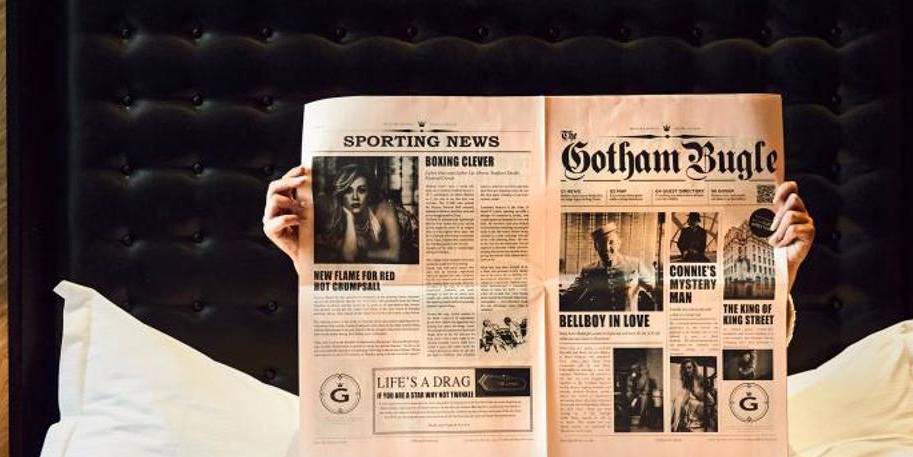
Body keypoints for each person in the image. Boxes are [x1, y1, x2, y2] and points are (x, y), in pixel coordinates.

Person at [268, 168, 815, 291]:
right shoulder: (577, 280)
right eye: (599, 239)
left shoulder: (646, 273)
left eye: (610, 239)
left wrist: (780, 273)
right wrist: (304, 258)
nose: (605, 244)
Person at [314, 162, 415, 263]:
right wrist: (349, 217)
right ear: (341, 195)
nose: (355, 197)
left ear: (369, 194)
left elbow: (394, 255)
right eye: (349, 191)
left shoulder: (385, 209)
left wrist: (361, 253)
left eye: (361, 190)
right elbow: (349, 257)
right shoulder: (338, 221)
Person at [559, 218, 660, 311]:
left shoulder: (636, 264)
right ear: (596, 247)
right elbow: (569, 296)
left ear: (619, 243)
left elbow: (656, 292)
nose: (607, 248)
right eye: (602, 243)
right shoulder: (588, 271)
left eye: (611, 242)